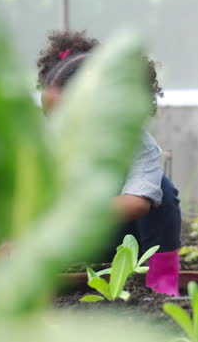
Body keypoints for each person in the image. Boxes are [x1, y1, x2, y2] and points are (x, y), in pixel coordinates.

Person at [37, 30, 181, 295]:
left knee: (164, 191)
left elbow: (138, 202)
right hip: (62, 242)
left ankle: (162, 281)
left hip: (123, 242)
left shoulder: (137, 143)